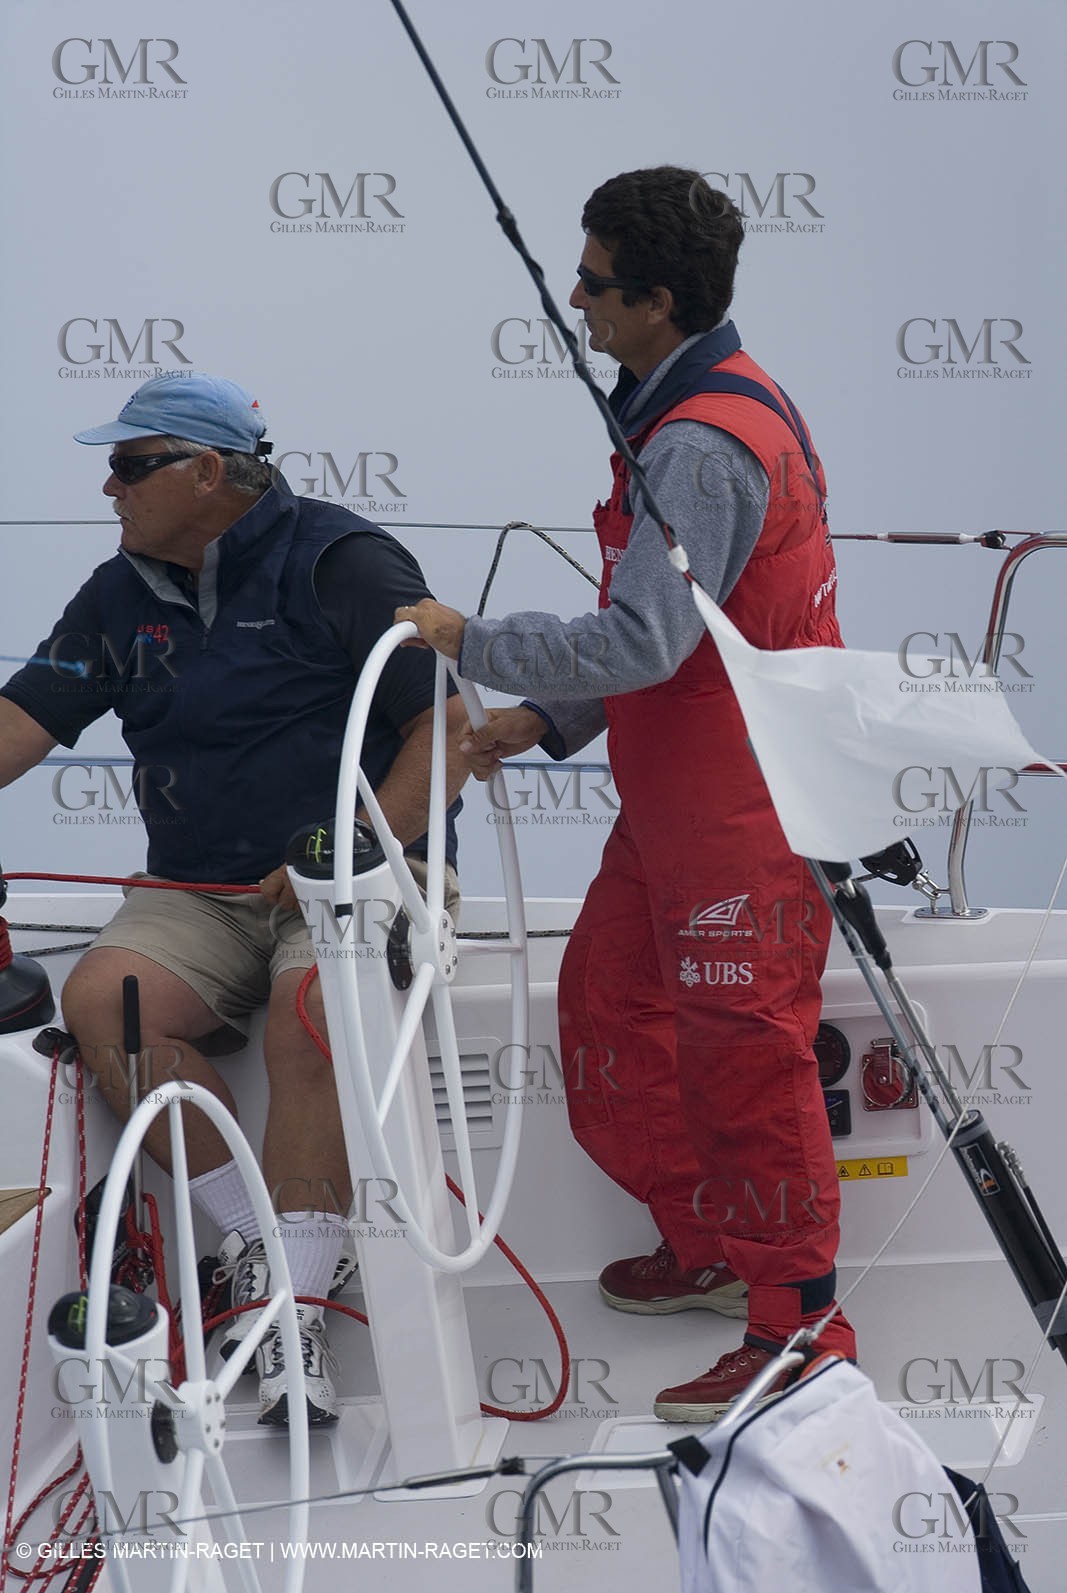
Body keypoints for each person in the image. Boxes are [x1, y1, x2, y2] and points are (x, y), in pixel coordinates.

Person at [397, 166, 856, 1421]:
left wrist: (466, 637)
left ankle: (798, 1326)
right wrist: (541, 722)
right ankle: (711, 1241)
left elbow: (644, 640)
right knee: (605, 1007)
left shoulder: (700, 443)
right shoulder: (679, 404)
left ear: (656, 299)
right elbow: (688, 631)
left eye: (592, 281)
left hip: (741, 812)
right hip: (673, 802)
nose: (575, 299)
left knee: (743, 1061)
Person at [0, 373, 467, 1426]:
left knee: (313, 1019)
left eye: (129, 465)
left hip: (352, 872)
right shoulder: (120, 588)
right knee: (104, 1003)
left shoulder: (342, 562)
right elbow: (21, 725)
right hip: (198, 890)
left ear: (207, 473)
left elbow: (446, 736)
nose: (107, 487)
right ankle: (260, 1243)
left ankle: (291, 1305)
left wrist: (345, 850)